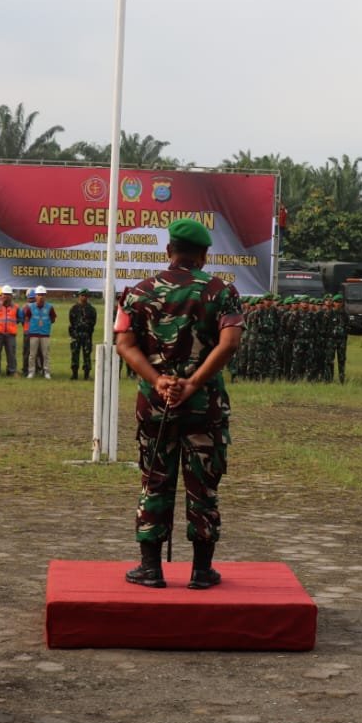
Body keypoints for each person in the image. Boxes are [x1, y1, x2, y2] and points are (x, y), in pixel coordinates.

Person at [115, 218, 244, 590]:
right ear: (204, 255)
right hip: (203, 405)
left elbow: (124, 344)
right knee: (203, 484)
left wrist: (158, 381)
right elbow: (230, 342)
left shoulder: (138, 292)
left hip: (156, 406)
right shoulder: (222, 292)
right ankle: (202, 571)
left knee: (155, 480)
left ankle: (150, 568)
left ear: (168, 251)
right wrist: (193, 383)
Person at [20, 285, 56, 378]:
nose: (41, 297)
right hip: (33, 334)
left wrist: (45, 325)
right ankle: (31, 371)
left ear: (45, 296)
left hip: (45, 334)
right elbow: (27, 318)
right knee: (32, 354)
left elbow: (53, 319)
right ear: (36, 296)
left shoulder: (49, 307)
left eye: (43, 295)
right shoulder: (30, 307)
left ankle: (46, 371)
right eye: (39, 295)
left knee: (45, 354)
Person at [0, 285, 20, 377]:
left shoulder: (16, 307)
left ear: (11, 296)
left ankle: (12, 371)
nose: (6, 296)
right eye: (4, 294)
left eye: (8, 294)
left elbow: (19, 318)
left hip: (11, 334)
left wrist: (11, 325)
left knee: (11, 353)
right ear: (1, 295)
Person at [68, 289, 95, 380]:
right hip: (76, 335)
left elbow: (93, 322)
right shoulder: (74, 308)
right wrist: (74, 332)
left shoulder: (91, 309)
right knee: (75, 354)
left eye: (85, 295)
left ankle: (86, 374)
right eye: (82, 295)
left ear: (87, 297)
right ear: (79, 296)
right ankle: (74, 373)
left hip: (87, 335)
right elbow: (71, 321)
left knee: (87, 355)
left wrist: (87, 328)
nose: (83, 297)